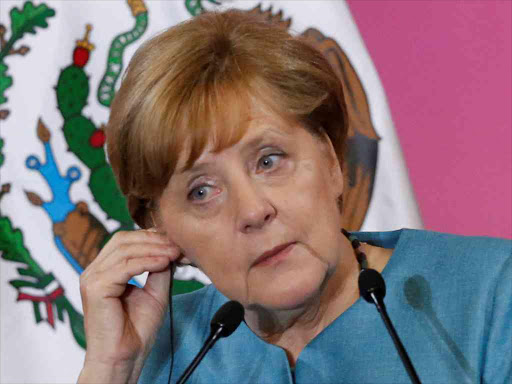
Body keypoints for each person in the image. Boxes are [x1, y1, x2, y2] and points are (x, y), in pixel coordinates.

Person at [77, 10, 511, 384]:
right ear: (162, 232)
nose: (253, 210)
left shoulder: (489, 295)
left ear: (331, 161)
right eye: (202, 191)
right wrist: (111, 369)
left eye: (269, 161)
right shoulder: (155, 352)